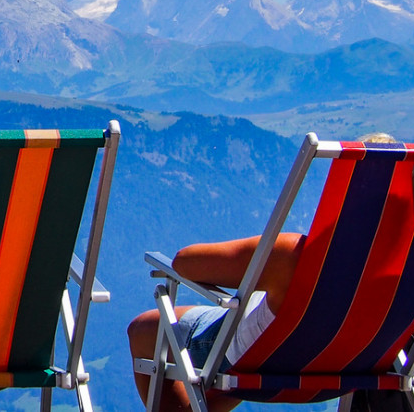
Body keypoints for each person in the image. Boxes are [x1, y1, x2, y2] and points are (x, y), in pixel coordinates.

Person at [126, 132, 399, 412]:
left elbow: (184, 263)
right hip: (350, 369)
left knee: (143, 330)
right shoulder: (411, 269)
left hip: (263, 361)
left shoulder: (294, 256)